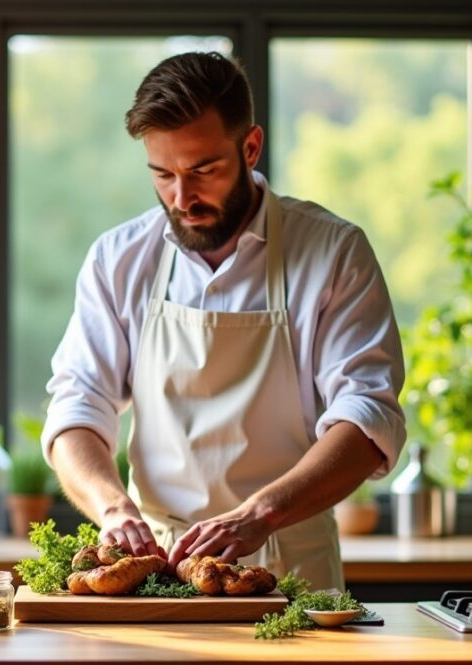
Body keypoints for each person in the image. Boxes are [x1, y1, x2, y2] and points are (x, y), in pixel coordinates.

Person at [41, 51, 405, 590]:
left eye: (202, 170)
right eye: (162, 174)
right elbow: (77, 405)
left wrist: (262, 513)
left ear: (250, 147)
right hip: (155, 571)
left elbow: (368, 413)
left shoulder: (332, 251)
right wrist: (113, 508)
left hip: (291, 568)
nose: (181, 198)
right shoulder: (118, 258)